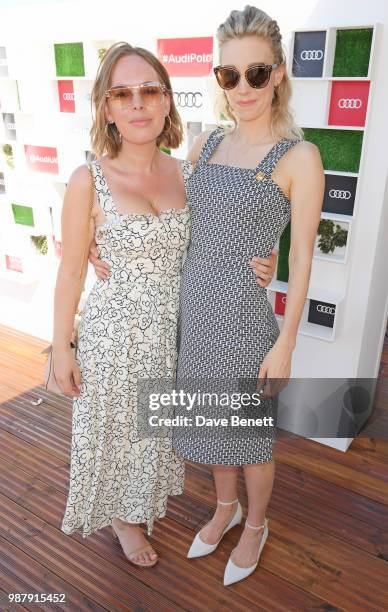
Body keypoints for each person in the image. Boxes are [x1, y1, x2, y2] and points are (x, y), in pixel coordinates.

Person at [172, 5, 325, 587]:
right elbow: (184, 224)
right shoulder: (204, 144)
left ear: (279, 74)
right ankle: (223, 507)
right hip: (196, 316)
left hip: (243, 324)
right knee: (211, 427)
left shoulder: (300, 158)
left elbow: (303, 255)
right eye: (228, 75)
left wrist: (286, 341)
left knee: (251, 438)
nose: (242, 88)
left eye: (256, 74)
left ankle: (255, 523)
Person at [52, 41, 194, 567]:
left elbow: (210, 245)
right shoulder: (88, 179)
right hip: (112, 336)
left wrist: (259, 262)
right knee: (114, 432)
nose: (138, 104)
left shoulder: (188, 173)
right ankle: (124, 520)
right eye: (123, 93)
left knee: (150, 432)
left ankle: (137, 506)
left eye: (150, 91)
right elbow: (70, 270)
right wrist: (62, 348)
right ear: (107, 108)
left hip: (168, 334)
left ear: (166, 102)